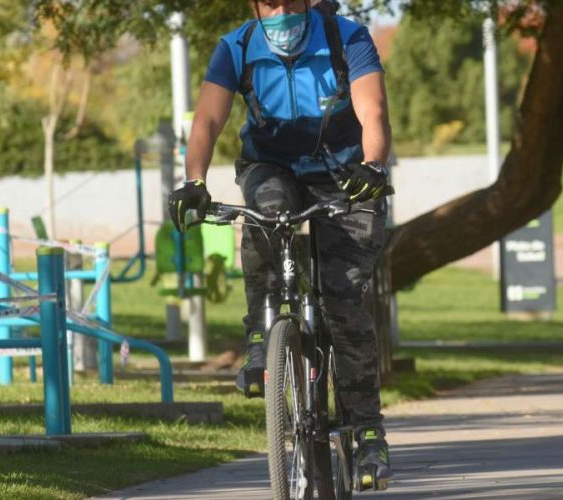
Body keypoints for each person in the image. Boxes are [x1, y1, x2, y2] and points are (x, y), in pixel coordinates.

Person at [167, 0, 394, 487]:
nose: (283, 10)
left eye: (293, 0)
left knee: (344, 299)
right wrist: (193, 180)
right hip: (273, 168)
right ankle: (261, 334)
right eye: (272, 2)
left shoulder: (346, 39)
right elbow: (207, 121)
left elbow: (372, 110)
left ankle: (368, 432)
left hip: (346, 173)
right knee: (265, 214)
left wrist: (373, 166)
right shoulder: (237, 47)